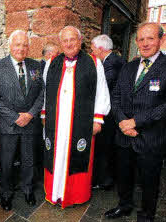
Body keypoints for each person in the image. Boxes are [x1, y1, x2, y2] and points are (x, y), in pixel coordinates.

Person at [105, 23, 166, 222]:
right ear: (136, 42)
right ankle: (124, 205)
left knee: (150, 180)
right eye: (141, 39)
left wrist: (135, 122)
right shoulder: (129, 66)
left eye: (150, 38)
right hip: (124, 135)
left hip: (151, 137)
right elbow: (115, 97)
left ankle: (147, 214)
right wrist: (123, 122)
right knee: (123, 175)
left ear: (161, 40)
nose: (145, 43)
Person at [43, 26, 110, 208]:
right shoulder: (52, 63)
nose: (69, 43)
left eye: (73, 39)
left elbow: (101, 92)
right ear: (60, 43)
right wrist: (44, 114)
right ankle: (55, 191)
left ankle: (75, 195)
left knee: (77, 156)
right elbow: (45, 91)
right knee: (55, 155)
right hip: (56, 123)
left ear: (80, 41)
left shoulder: (93, 63)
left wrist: (98, 119)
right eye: (65, 40)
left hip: (80, 123)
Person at [0, 30, 44, 211]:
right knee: (6, 162)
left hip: (30, 123)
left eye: (24, 45)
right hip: (8, 125)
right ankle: (6, 193)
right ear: (10, 45)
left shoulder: (36, 66)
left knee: (29, 160)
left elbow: (41, 93)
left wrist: (30, 114)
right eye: (17, 44)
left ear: (28, 47)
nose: (21, 48)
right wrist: (15, 117)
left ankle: (28, 190)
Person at [90, 34, 125, 190]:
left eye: (93, 50)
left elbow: (104, 88)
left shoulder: (111, 64)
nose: (92, 53)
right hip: (112, 113)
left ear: (101, 49)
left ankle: (104, 180)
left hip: (110, 115)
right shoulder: (112, 60)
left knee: (104, 147)